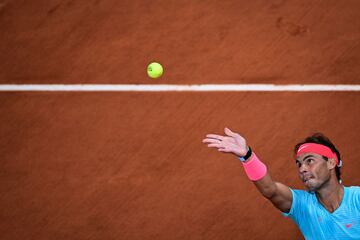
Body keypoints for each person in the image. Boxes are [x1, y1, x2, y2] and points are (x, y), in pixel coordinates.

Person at [202, 128, 360, 240]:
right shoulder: (302, 206)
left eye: (309, 161)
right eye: (299, 164)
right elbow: (270, 189)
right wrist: (247, 156)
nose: (302, 169)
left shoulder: (357, 199)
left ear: (331, 162)